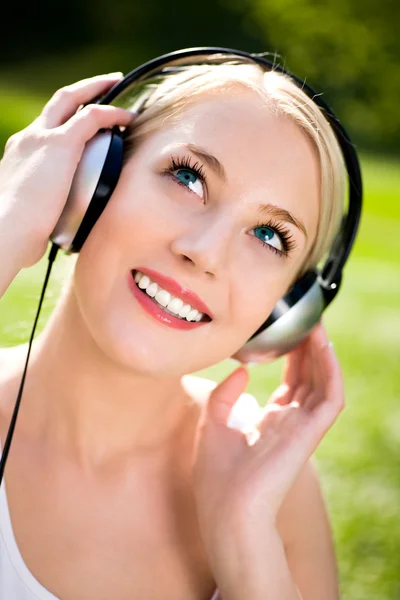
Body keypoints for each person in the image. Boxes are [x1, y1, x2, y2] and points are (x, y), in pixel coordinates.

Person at [0, 60, 346, 599]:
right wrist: (7, 223)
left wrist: (245, 542)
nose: (204, 252)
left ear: (286, 311)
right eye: (188, 177)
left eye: (269, 235)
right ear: (90, 181)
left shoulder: (277, 493)